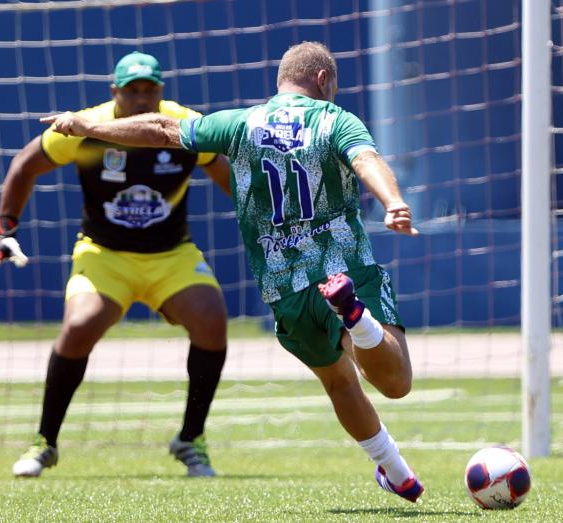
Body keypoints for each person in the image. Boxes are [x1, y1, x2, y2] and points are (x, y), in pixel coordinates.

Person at [39, 41, 425, 502]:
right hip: (343, 268)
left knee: (340, 381)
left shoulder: (241, 122)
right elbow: (365, 158)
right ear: (324, 80)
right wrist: (393, 201)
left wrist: (90, 126)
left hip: (285, 289)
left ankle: (395, 471)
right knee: (394, 382)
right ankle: (357, 319)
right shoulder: (335, 119)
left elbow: (161, 128)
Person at [0, 52, 231, 478]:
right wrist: (2, 231)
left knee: (212, 320)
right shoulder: (84, 126)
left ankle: (191, 438)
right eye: (132, 90)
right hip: (104, 255)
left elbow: (228, 175)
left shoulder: (183, 125)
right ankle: (45, 442)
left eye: (149, 90)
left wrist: (267, 220)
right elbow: (24, 166)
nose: (141, 98)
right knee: (79, 326)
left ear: (161, 91)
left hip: (172, 256)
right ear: (114, 92)